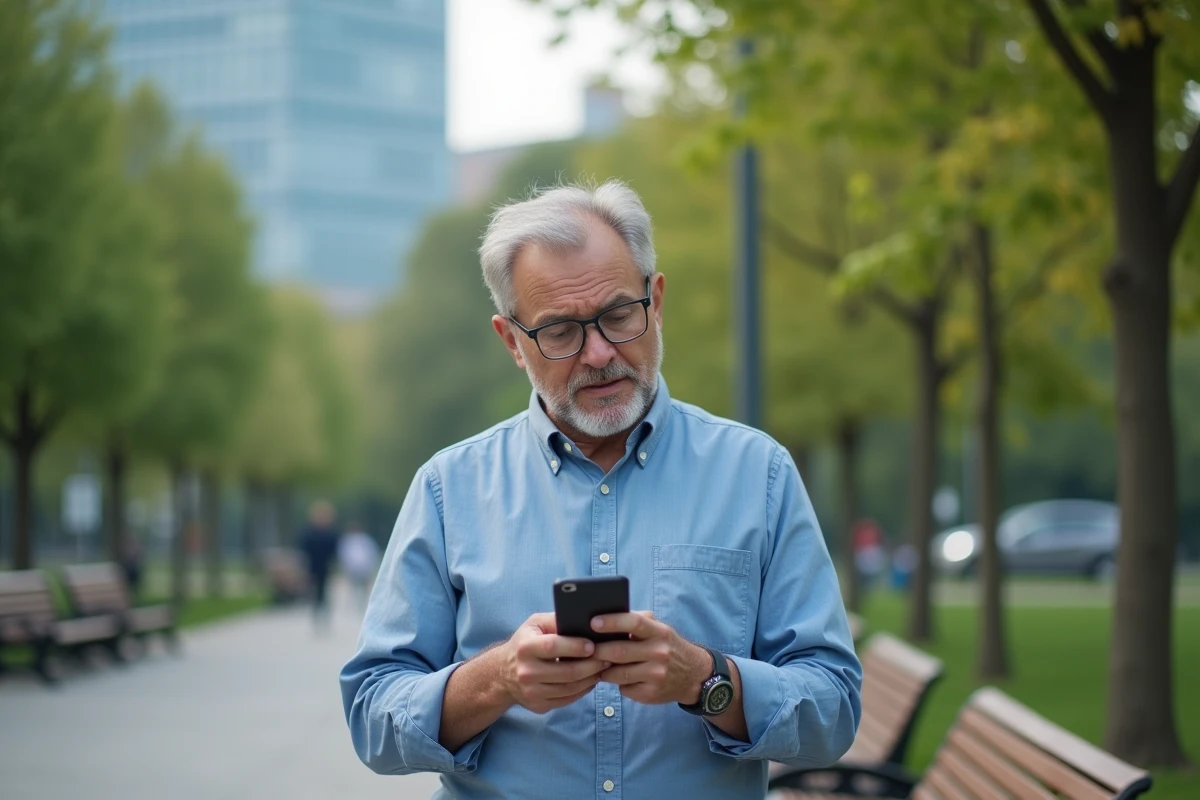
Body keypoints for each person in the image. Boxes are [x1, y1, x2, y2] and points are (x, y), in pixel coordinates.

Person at [340, 180, 862, 799]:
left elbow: (834, 708)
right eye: (560, 330)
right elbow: (373, 716)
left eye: (618, 315)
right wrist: (497, 679)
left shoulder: (758, 475)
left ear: (656, 301)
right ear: (512, 341)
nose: (598, 353)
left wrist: (705, 679)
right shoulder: (448, 490)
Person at [298, 499, 340, 630]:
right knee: (314, 591)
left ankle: (324, 615)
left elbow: (335, 551)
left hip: (326, 566)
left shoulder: (331, 534)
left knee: (325, 591)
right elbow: (303, 551)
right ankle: (316, 614)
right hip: (312, 566)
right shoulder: (308, 533)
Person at [337, 521, 380, 612]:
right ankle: (354, 603)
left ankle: (362, 603)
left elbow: (372, 553)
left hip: (364, 567)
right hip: (353, 567)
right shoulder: (348, 540)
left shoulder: (366, 540)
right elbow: (344, 555)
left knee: (363, 587)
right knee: (353, 586)